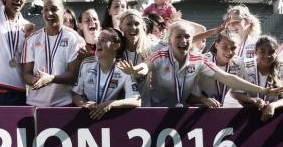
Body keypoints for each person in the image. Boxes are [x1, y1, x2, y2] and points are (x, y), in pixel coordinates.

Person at [119, 21, 283, 107]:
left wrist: (262, 90)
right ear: (169, 39)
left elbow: (227, 77)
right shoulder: (160, 55)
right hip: (156, 111)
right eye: (179, 37)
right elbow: (145, 66)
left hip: (183, 111)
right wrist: (136, 70)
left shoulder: (199, 60)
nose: (184, 41)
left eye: (188, 37)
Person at [22, 0, 81, 107]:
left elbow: (73, 75)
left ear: (64, 13)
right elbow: (26, 74)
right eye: (46, 9)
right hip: (34, 104)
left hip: (63, 104)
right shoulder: (32, 39)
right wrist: (36, 81)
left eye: (54, 9)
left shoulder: (73, 38)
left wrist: (50, 79)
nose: (49, 13)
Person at [72, 28, 140, 119]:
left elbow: (136, 101)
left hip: (110, 119)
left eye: (103, 40)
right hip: (86, 116)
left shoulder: (124, 69)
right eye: (98, 39)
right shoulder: (86, 64)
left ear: (116, 46)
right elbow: (76, 94)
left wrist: (111, 104)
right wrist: (83, 105)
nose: (98, 43)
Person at [188, 31, 246, 108]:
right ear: (216, 45)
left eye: (233, 48)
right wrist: (204, 100)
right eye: (224, 47)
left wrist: (253, 100)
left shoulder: (239, 63)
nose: (229, 52)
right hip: (197, 109)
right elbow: (187, 96)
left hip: (220, 108)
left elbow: (237, 92)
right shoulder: (201, 62)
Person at [234, 35, 283, 121]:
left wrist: (273, 106)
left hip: (274, 115)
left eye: (271, 52)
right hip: (247, 114)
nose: (267, 55)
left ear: (276, 52)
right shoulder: (245, 66)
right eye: (263, 51)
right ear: (255, 52)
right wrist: (252, 100)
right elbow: (235, 92)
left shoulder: (281, 69)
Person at [117, 9, 157, 105]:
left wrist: (134, 71)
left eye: (137, 24)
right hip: (119, 110)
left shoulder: (152, 47)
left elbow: (146, 66)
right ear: (121, 27)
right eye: (129, 24)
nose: (133, 27)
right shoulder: (115, 48)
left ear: (142, 26)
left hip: (145, 109)